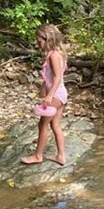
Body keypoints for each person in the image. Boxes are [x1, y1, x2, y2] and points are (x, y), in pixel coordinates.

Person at [21, 24, 68, 166]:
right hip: (61, 95)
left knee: (42, 125)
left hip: (56, 95)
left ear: (47, 39)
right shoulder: (57, 54)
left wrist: (49, 96)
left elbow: (57, 77)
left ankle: (38, 156)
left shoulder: (53, 55)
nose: (37, 44)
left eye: (39, 41)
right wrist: (43, 89)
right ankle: (61, 156)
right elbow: (49, 77)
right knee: (55, 125)